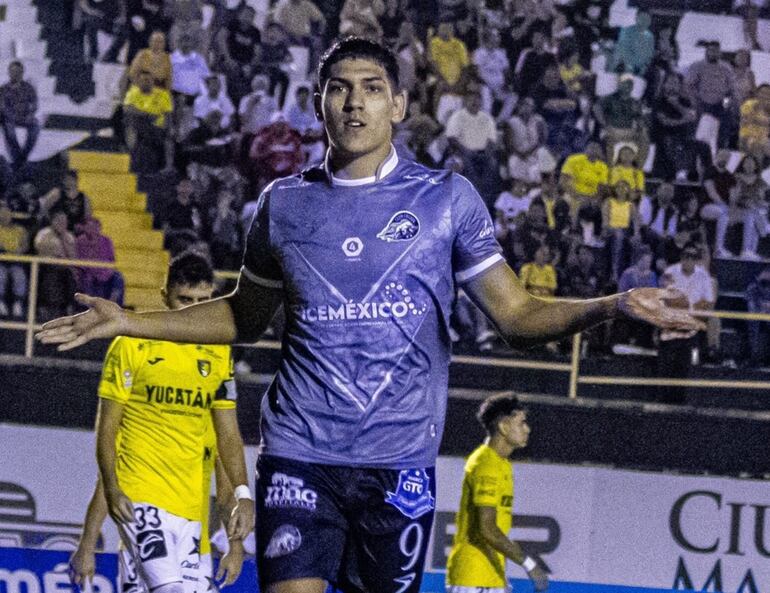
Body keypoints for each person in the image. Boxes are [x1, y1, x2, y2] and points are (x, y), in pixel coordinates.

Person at [38, 37, 702, 593]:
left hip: (398, 464)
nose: (356, 100)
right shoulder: (284, 205)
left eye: (373, 86)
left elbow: (516, 313)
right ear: (319, 101)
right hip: (300, 456)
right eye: (340, 87)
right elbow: (242, 317)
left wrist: (613, 304)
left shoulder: (445, 199)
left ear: (401, 105)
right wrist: (127, 319)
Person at [66, 252, 251, 593]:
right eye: (184, 300)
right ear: (164, 295)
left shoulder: (218, 353)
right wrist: (90, 537)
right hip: (141, 500)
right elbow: (108, 435)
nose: (193, 310)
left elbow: (224, 449)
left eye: (203, 301)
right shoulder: (132, 344)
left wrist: (236, 542)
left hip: (193, 519)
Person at [446, 394, 548, 593]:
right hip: (474, 579)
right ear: (503, 426)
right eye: (521, 423)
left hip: (489, 578)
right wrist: (530, 565)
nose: (527, 429)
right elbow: (487, 528)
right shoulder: (485, 465)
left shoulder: (500, 464)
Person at [0, 61, 40, 168]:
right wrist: (11, 116)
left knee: (36, 126)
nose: (15, 73)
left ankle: (22, 157)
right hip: (10, 118)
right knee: (9, 130)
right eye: (12, 71)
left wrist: (30, 114)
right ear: (9, 72)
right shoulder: (3, 89)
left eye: (18, 71)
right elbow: (2, 107)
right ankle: (20, 160)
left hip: (25, 117)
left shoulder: (29, 87)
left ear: (22, 72)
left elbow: (34, 103)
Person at [0, 201, 29, 318]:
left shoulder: (20, 230)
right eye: (2, 213)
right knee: (0, 275)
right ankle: (0, 303)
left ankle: (18, 303)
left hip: (16, 261)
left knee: (19, 276)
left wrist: (20, 250)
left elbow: (25, 245)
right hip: (1, 260)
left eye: (7, 213)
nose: (5, 216)